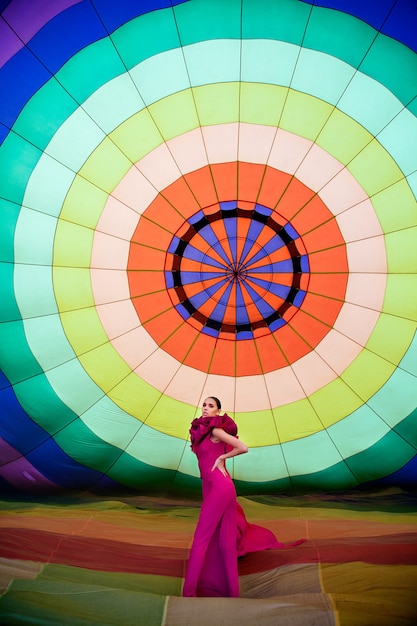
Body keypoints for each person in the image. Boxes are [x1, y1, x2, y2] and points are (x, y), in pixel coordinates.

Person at [182, 396, 303, 598]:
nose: (205, 408)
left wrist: (222, 457)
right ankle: (231, 592)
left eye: (210, 406)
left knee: (201, 539)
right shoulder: (202, 432)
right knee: (224, 542)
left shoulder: (215, 430)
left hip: (220, 487)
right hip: (213, 487)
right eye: (204, 405)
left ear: (218, 411)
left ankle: (188, 593)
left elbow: (243, 447)